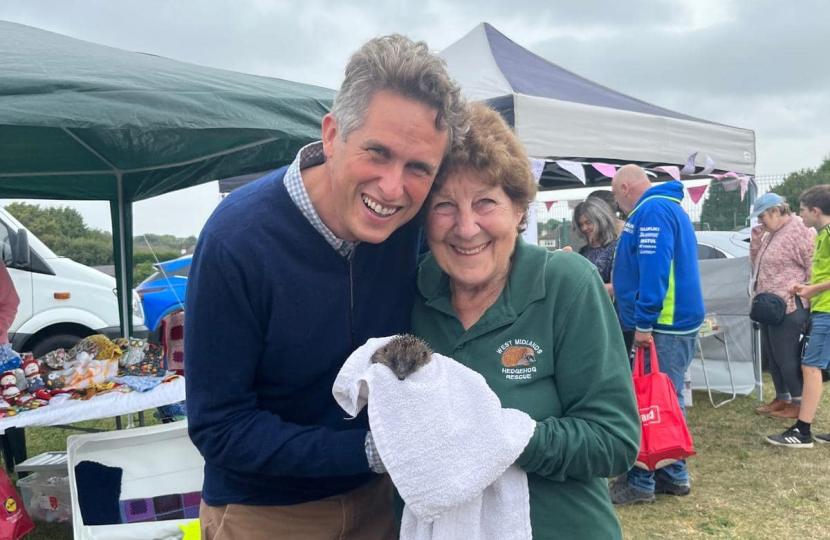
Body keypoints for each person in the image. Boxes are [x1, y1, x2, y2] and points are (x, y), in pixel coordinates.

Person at [185, 34, 467, 540]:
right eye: (377, 153)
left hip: (384, 501)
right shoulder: (237, 239)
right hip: (265, 513)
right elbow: (219, 426)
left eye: (418, 168)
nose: (392, 188)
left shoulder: (414, 230)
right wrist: (368, 451)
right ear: (333, 135)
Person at [410, 102, 639, 540]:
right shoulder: (412, 291)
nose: (465, 226)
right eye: (443, 205)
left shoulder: (566, 284)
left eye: (485, 202)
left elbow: (613, 441)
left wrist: (503, 437)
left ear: (519, 210)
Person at [609, 164, 705, 505]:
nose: (617, 206)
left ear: (623, 188)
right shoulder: (668, 207)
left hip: (662, 323)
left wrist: (644, 322)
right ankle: (671, 473)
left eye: (614, 196)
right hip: (672, 320)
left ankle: (641, 479)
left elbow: (654, 268)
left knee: (648, 400)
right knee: (665, 396)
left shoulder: (650, 211)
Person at [766, 185, 830, 448]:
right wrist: (808, 287)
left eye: (802, 210)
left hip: (827, 310)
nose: (800, 215)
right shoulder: (821, 234)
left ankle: (802, 431)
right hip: (822, 306)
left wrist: (813, 289)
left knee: (810, 366)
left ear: (815, 210)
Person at [749, 193, 815, 419]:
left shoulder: (800, 231)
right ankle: (782, 397)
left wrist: (806, 293)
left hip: (789, 305)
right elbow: (758, 264)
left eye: (763, 216)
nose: (760, 222)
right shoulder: (769, 234)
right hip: (769, 306)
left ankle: (798, 402)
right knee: (773, 355)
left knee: (786, 356)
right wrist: (756, 243)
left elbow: (812, 266)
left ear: (777, 211)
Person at [573, 197, 619, 296]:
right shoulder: (583, 251)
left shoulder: (616, 248)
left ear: (601, 220)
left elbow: (619, 287)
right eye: (581, 224)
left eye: (588, 222)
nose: (584, 228)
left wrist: (586, 289)